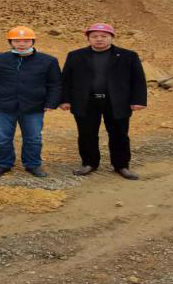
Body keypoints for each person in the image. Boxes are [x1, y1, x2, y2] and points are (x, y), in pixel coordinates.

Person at [60, 23, 147, 179]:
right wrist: (65, 100)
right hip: (86, 101)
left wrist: (138, 100)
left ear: (112, 37)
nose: (99, 39)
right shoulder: (75, 55)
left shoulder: (128, 56)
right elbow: (66, 80)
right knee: (87, 134)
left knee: (119, 134)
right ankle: (89, 163)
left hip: (117, 102)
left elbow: (138, 80)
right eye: (94, 36)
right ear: (88, 38)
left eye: (104, 36)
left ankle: (121, 165)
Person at [0, 26, 61, 178]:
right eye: (17, 41)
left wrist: (51, 103)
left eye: (26, 40)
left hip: (33, 107)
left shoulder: (48, 60)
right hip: (2, 107)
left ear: (33, 41)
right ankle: (3, 164)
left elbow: (55, 84)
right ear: (10, 42)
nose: (21, 44)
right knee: (2, 139)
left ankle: (33, 164)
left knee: (33, 138)